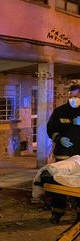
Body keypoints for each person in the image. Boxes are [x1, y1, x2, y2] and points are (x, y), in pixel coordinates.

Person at [47, 84, 80, 224]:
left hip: (79, 157)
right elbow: (51, 129)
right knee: (58, 185)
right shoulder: (60, 111)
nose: (74, 99)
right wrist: (59, 139)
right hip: (63, 155)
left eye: (77, 96)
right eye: (72, 96)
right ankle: (57, 212)